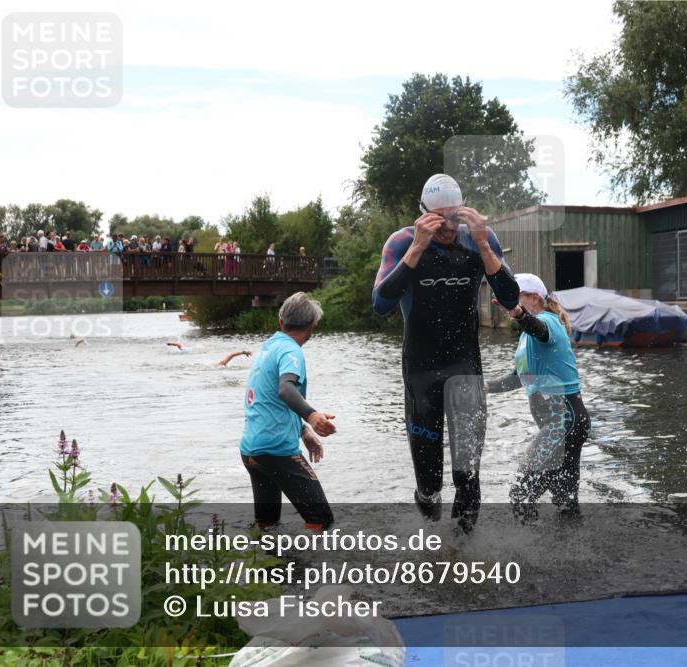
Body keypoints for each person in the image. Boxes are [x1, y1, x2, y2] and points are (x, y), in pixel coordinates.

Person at [371, 174, 520, 531]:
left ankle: (463, 556)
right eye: (438, 220)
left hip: (465, 367)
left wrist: (485, 247)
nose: (448, 228)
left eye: (454, 218)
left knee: (468, 475)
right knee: (429, 485)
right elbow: (380, 304)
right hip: (421, 374)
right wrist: (416, 249)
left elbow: (512, 299)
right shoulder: (402, 242)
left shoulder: (478, 240)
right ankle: (432, 541)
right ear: (422, 215)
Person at [486, 274, 590, 522]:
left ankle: (526, 555)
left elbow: (539, 329)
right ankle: (572, 552)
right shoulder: (525, 338)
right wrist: (486, 387)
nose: (510, 302)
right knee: (564, 502)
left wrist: (518, 313)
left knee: (521, 493)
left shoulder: (548, 321)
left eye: (515, 296)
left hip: (563, 421)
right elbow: (518, 377)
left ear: (534, 298)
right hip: (564, 424)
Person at [240, 292, 337, 531]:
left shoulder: (269, 347)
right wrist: (312, 416)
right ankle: (311, 567)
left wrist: (303, 431)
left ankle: (272, 567)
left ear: (281, 322)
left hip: (251, 450)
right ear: (312, 327)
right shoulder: (291, 351)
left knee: (268, 525)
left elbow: (269, 398)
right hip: (277, 450)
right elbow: (285, 389)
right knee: (321, 521)